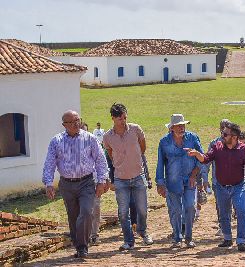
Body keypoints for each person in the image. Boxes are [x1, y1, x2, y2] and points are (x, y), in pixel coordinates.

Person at [42, 110, 108, 258]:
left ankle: (83, 247)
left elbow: (100, 160)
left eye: (78, 120)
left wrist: (101, 181)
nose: (76, 124)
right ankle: (78, 244)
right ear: (64, 125)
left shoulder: (90, 138)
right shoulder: (56, 141)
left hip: (86, 182)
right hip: (67, 184)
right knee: (73, 216)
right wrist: (48, 183)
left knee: (86, 212)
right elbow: (50, 163)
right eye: (71, 122)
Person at [186, 122, 245, 252]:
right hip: (221, 186)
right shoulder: (217, 147)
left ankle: (241, 240)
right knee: (224, 214)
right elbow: (206, 159)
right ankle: (227, 238)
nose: (222, 136)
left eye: (225, 134)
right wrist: (197, 154)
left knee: (241, 211)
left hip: (238, 186)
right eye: (222, 133)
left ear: (234, 136)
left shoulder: (243, 149)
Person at [103, 103, 153, 251]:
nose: (123, 121)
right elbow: (110, 155)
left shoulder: (136, 129)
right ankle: (128, 240)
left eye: (124, 117)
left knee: (143, 209)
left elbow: (142, 148)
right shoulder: (107, 137)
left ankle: (143, 231)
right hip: (120, 179)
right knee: (123, 212)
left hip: (138, 176)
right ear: (113, 118)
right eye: (119, 118)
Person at [156, 114, 204, 248]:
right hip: (172, 181)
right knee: (175, 210)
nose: (182, 128)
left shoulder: (193, 138)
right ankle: (177, 237)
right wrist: (160, 183)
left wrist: (194, 174)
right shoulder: (164, 142)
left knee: (190, 206)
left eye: (183, 125)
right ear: (172, 128)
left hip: (190, 180)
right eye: (179, 126)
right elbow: (160, 163)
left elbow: (202, 158)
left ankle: (189, 237)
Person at [204, 119, 230, 236]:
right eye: (222, 127)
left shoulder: (236, 142)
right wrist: (205, 179)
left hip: (235, 181)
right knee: (220, 205)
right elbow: (207, 162)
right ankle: (223, 226)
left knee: (233, 204)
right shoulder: (214, 144)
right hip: (218, 181)